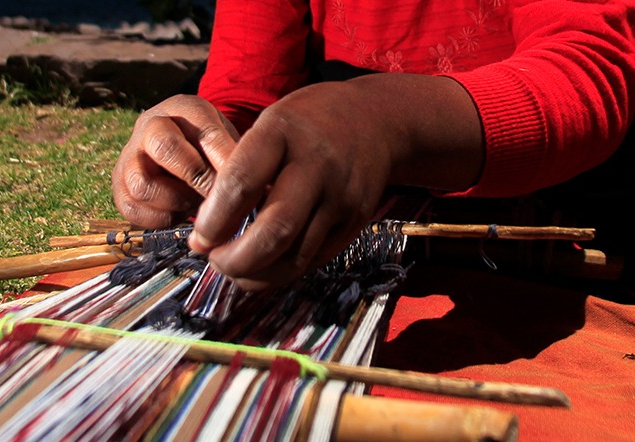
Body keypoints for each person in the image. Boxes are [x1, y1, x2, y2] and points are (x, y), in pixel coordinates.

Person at [112, 0, 635, 290]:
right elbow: (243, 97)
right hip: (349, 266)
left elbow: (591, 70)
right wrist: (198, 140)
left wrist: (384, 120)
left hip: (550, 244)